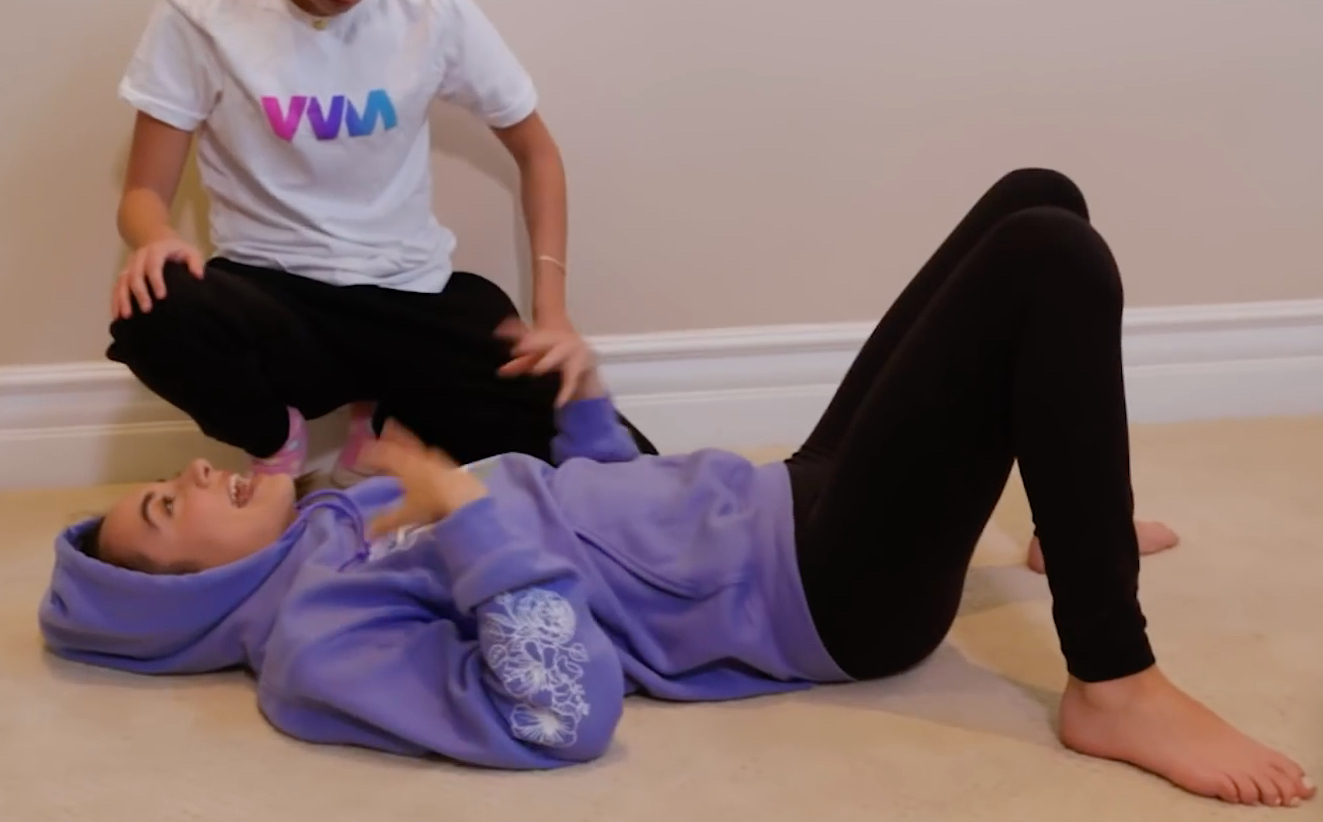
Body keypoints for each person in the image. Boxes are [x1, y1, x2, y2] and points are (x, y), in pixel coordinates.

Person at [42, 169, 1314, 807]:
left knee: (1037, 200)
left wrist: (582, 411)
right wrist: (471, 518)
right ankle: (1113, 680)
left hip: (781, 501)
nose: (194, 471)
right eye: (167, 508)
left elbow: (608, 526)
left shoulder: (341, 520)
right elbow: (563, 709)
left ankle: (1073, 530)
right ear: (181, 600)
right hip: (825, 594)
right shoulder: (316, 642)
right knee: (1049, 261)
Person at [106, 0, 654, 484]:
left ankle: (386, 426)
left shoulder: (433, 13)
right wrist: (157, 237)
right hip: (277, 298)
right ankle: (276, 443)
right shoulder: (198, 15)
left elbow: (538, 153)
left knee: (629, 472)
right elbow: (143, 192)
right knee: (155, 306)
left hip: (413, 300)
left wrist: (553, 314)